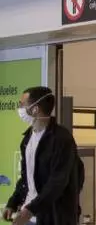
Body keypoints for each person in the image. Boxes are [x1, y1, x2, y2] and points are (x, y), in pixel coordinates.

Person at [2, 87, 81, 225]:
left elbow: (57, 182)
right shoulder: (27, 139)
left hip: (53, 216)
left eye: (22, 104)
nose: (19, 109)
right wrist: (13, 203)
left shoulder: (61, 139)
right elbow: (26, 178)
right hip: (30, 215)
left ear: (35, 109)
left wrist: (30, 210)